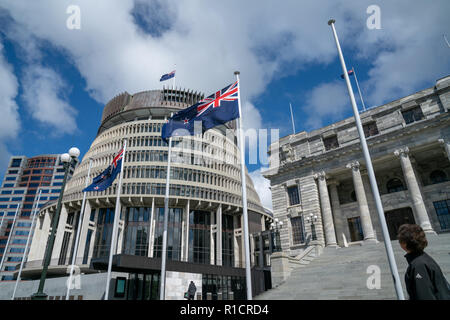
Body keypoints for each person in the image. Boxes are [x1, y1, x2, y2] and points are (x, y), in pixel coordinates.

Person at [397, 224, 450, 300]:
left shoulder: (418, 265)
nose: (399, 242)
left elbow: (424, 295)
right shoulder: (423, 258)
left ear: (405, 243)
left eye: (400, 240)